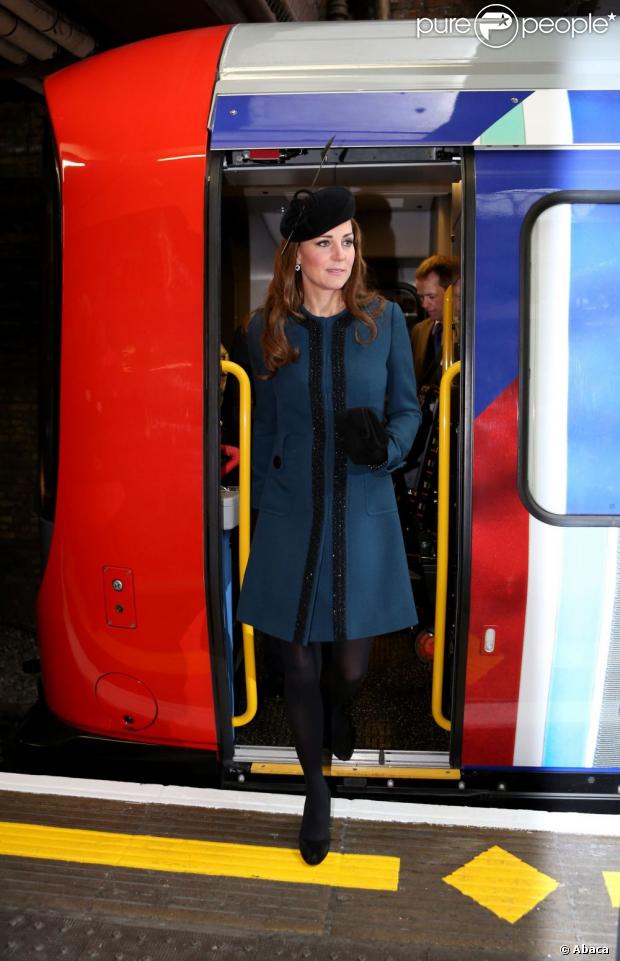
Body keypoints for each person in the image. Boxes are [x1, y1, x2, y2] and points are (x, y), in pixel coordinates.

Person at [236, 186, 421, 866]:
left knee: (349, 663)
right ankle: (315, 788)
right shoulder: (264, 331)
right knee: (297, 662)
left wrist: (390, 447)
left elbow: (409, 409)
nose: (341, 254)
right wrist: (258, 496)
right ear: (296, 255)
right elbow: (261, 425)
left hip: (363, 511)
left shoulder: (384, 321)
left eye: (347, 240)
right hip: (291, 515)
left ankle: (342, 710)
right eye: (325, 242)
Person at [411, 254, 460, 390]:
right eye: (421, 297)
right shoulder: (419, 331)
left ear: (452, 292)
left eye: (431, 297)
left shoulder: (467, 332)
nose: (424, 304)